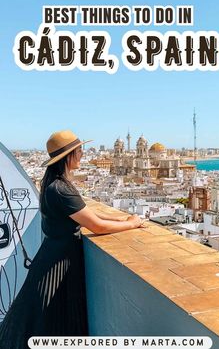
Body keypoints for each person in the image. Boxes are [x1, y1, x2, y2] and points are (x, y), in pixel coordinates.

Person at [0, 130, 142, 348]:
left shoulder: (53, 183)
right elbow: (96, 225)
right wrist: (131, 224)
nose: (82, 154)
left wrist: (120, 217)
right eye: (79, 150)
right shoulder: (61, 189)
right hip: (57, 265)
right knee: (53, 322)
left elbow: (85, 213)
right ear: (69, 155)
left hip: (51, 258)